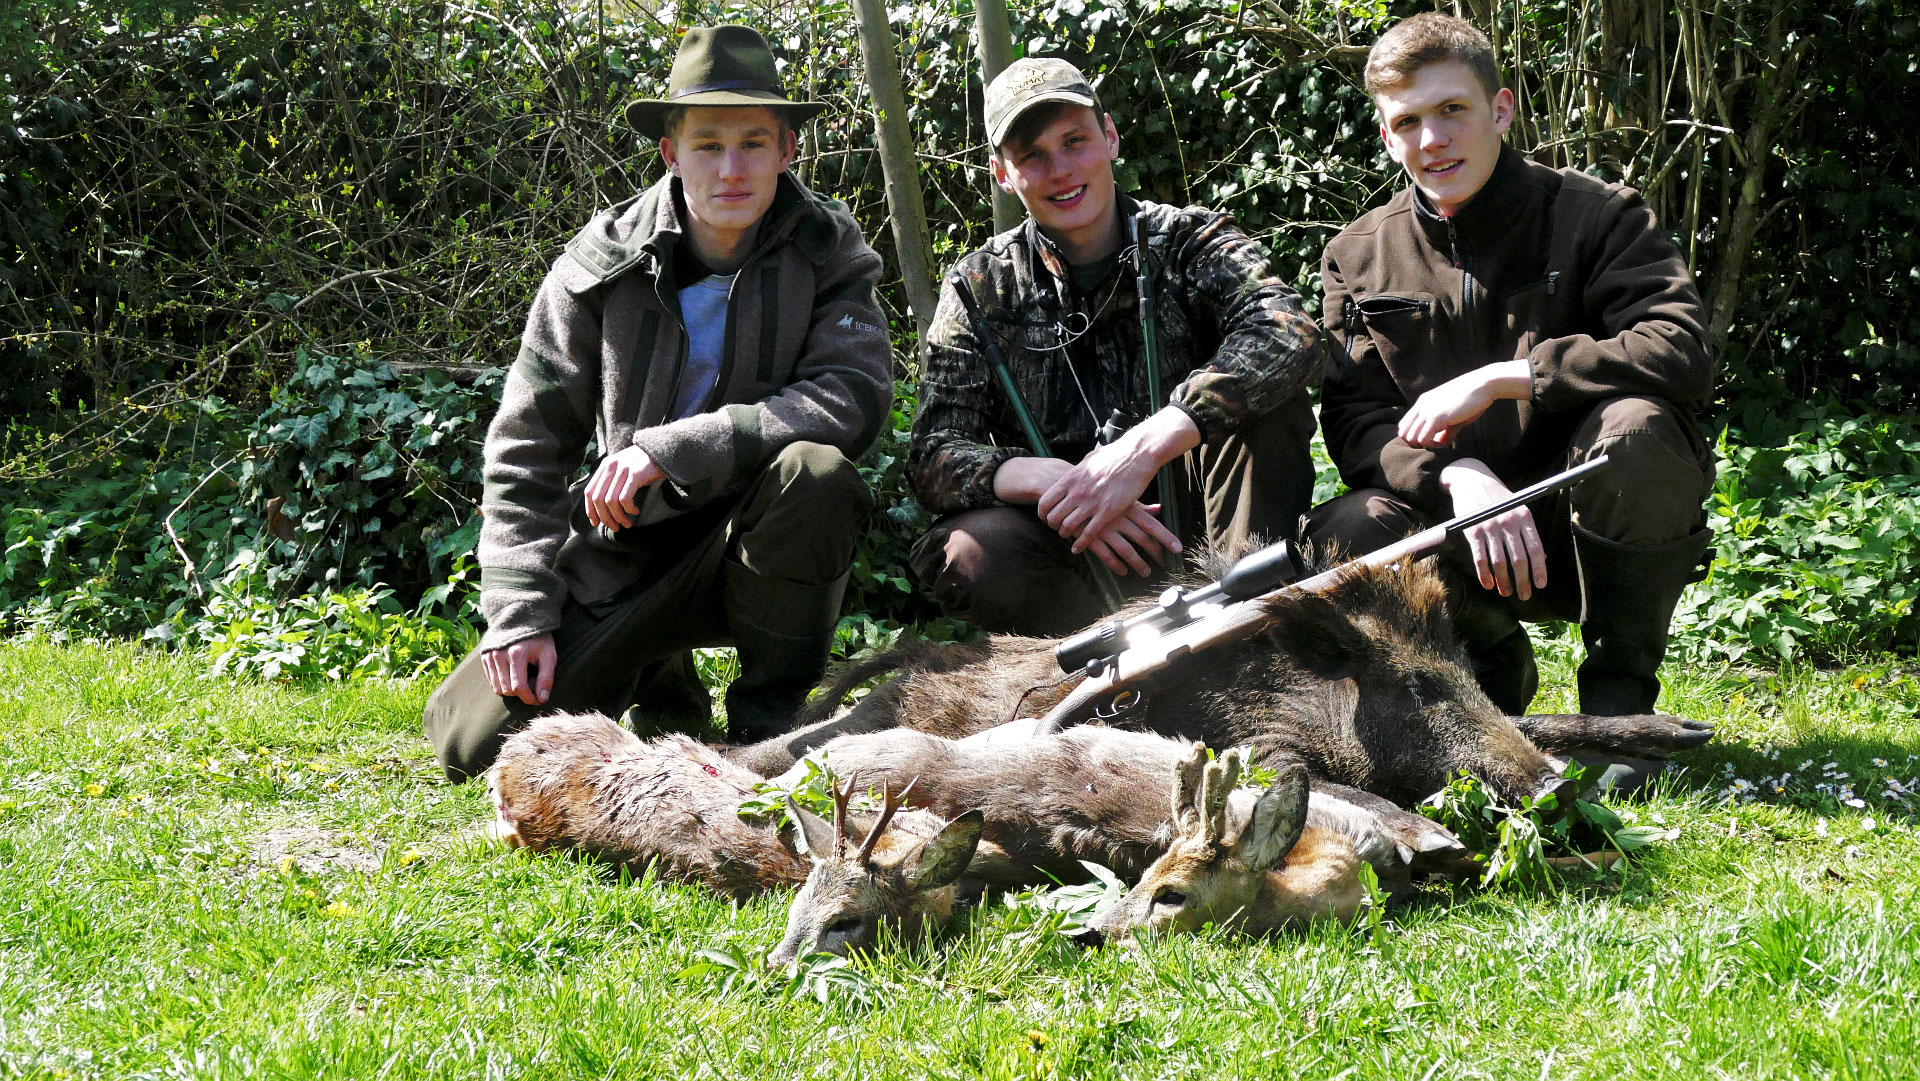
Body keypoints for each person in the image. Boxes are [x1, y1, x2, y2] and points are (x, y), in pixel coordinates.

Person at [424, 25, 893, 781]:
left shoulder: (827, 248)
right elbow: (526, 445)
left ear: (789, 150)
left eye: (754, 144)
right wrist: (519, 611)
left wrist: (669, 448)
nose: (731, 169)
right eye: (708, 145)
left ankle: (768, 722)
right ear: (671, 154)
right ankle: (656, 671)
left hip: (755, 535)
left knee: (820, 472)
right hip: (626, 551)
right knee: (469, 744)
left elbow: (855, 396)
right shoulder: (601, 261)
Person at [1303, 13, 1714, 717]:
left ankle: (1621, 705)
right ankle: (1487, 670)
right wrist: (1455, 474)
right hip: (1458, 525)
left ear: (1500, 108)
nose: (1432, 141)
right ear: (1385, 135)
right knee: (1344, 528)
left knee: (1639, 429)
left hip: (1585, 513)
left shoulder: (1600, 215)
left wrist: (1508, 377)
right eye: (1407, 123)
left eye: (1452, 110)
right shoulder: (1357, 254)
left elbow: (1680, 347)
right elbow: (1354, 422)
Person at [909, 57, 1322, 636]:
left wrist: (1143, 450)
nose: (1059, 169)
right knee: (972, 555)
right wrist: (1064, 485)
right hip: (1070, 548)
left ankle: (1244, 640)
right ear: (1003, 173)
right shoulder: (979, 287)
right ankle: (1086, 679)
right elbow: (933, 453)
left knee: (1265, 413)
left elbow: (1289, 331)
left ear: (1110, 137)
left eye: (1075, 141)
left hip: (1211, 524)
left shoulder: (1190, 240)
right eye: (1032, 155)